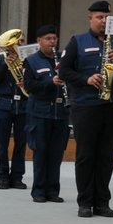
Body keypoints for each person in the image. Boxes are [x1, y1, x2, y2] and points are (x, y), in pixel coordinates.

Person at [57, 0, 113, 219]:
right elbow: (63, 71)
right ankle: (85, 202)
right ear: (90, 19)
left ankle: (102, 202)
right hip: (86, 105)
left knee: (106, 156)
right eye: (99, 17)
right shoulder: (78, 41)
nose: (103, 21)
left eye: (107, 18)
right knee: (86, 155)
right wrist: (86, 78)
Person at [20, 24, 69, 204]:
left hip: (61, 113)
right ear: (39, 41)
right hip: (40, 113)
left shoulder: (63, 59)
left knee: (56, 154)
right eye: (48, 39)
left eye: (54, 38)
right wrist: (50, 82)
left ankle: (53, 190)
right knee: (40, 152)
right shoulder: (32, 61)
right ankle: (39, 190)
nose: (52, 42)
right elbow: (29, 86)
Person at [0, 37, 29, 191]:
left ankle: (17, 177)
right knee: (2, 143)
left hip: (23, 105)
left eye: (21, 41)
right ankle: (3, 177)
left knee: (21, 143)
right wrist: (6, 65)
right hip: (4, 104)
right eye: (16, 42)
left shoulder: (29, 60)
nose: (18, 45)